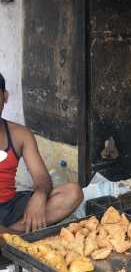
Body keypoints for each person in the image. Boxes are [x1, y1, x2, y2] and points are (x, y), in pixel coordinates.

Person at [0, 73, 83, 234]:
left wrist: (39, 196)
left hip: (12, 207)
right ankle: (16, 238)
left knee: (73, 192)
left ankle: (9, 237)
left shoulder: (20, 134)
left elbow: (41, 176)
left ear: (5, 96)